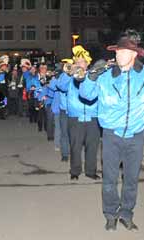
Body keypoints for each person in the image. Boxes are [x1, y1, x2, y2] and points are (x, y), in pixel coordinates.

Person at [79, 29, 144, 231]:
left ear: (134, 54)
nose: (117, 55)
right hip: (111, 136)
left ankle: (126, 214)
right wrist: (92, 76)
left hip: (136, 136)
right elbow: (86, 95)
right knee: (109, 180)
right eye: (116, 52)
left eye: (122, 52)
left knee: (131, 180)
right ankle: (110, 214)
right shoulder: (106, 76)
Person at [56, 45, 100, 181]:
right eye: (77, 61)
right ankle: (75, 171)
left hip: (93, 116)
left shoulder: (94, 76)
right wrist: (68, 73)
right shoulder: (69, 76)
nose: (80, 64)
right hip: (75, 117)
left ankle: (90, 171)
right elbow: (60, 86)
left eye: (83, 61)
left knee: (92, 146)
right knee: (75, 146)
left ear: (87, 63)